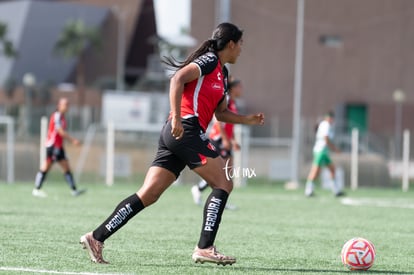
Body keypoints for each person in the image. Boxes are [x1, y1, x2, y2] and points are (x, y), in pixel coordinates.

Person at [79, 22, 265, 265]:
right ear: (230, 44)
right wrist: (177, 116)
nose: (241, 49)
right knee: (224, 182)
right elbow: (177, 79)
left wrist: (246, 120)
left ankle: (96, 237)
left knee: (149, 194)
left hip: (176, 134)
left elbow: (220, 114)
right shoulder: (209, 60)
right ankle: (205, 246)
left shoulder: (223, 73)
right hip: (184, 129)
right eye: (240, 44)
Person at [191, 77, 242, 209]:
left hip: (225, 140)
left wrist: (233, 140)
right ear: (232, 88)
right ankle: (200, 190)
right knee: (221, 172)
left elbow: (230, 125)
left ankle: (218, 199)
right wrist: (225, 139)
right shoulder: (228, 100)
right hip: (219, 139)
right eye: (239, 87)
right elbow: (218, 121)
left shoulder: (233, 103)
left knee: (226, 172)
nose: (241, 89)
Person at [32, 97, 85, 198]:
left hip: (58, 147)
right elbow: (60, 131)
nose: (67, 106)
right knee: (46, 167)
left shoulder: (62, 117)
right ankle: (36, 189)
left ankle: (74, 190)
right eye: (65, 104)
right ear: (59, 106)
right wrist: (73, 140)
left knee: (65, 167)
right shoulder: (57, 116)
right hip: (53, 147)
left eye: (68, 104)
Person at [305, 111, 344, 197]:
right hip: (321, 151)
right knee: (315, 171)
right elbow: (326, 138)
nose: (332, 120)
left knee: (332, 169)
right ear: (329, 118)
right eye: (332, 118)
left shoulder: (326, 125)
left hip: (324, 152)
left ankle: (335, 190)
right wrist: (334, 149)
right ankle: (308, 190)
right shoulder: (326, 124)